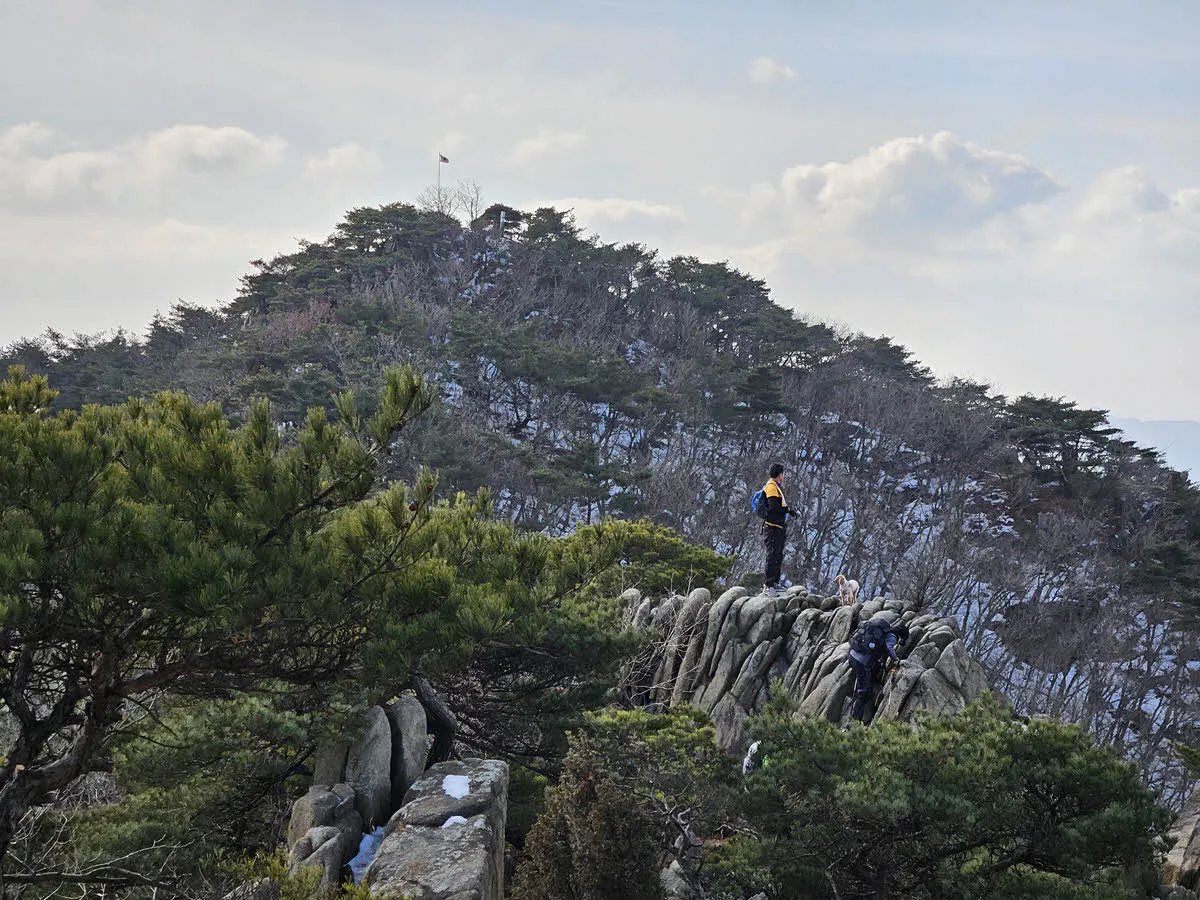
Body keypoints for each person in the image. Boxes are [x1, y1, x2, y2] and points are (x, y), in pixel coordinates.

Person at [846, 617, 909, 722]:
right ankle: (854, 722)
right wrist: (896, 660)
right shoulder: (892, 636)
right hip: (862, 663)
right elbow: (889, 647)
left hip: (852, 656)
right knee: (863, 693)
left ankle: (854, 711)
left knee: (860, 687)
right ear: (900, 637)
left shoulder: (882, 632)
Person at [760, 463, 791, 596]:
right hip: (772, 528)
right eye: (782, 474)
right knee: (772, 555)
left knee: (778, 555)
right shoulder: (772, 487)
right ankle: (768, 585)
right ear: (779, 475)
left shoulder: (776, 487)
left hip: (778, 528)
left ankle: (775, 583)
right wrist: (786, 510)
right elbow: (773, 508)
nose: (783, 476)